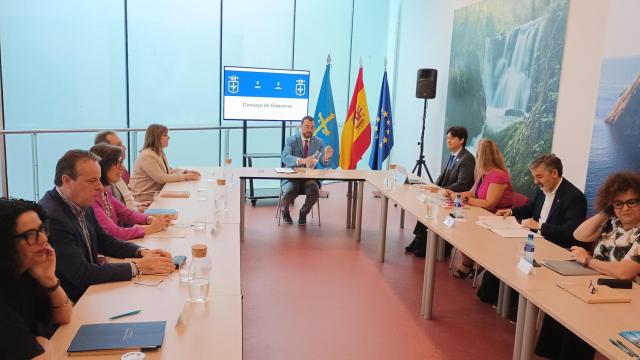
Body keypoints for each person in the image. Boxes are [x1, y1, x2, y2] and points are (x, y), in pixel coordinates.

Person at [39, 150, 175, 302]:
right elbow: (80, 273)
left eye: (99, 180)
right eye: (92, 181)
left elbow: (104, 240)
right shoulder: (53, 217)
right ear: (67, 181)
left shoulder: (80, 201)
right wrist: (138, 267)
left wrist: (142, 252)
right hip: (72, 303)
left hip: (90, 293)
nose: (99, 187)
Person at [535, 171, 640, 360]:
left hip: (626, 295)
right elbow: (579, 235)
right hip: (598, 284)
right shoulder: (612, 223)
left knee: (579, 318)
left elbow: (625, 272)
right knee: (558, 307)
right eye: (618, 203)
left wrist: (588, 260)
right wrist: (605, 212)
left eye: (632, 202)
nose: (625, 208)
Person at [477, 154, 587, 305]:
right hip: (535, 241)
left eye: (539, 177)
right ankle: (499, 303)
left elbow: (571, 232)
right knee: (501, 258)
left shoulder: (574, 197)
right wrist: (511, 212)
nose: (536, 182)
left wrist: (540, 226)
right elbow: (531, 207)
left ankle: (513, 308)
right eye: (534, 177)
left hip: (556, 248)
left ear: (554, 173)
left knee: (516, 265)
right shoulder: (543, 188)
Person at [0, 198, 72, 359]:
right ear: (6, 243)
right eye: (31, 235)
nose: (43, 239)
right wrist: (45, 344)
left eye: (41, 229)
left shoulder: (26, 273)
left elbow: (64, 316)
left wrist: (49, 280)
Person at [449, 139, 515, 278]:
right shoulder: (484, 173)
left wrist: (463, 199)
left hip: (496, 217)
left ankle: (470, 264)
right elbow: (473, 193)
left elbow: (489, 204)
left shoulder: (499, 176)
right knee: (458, 223)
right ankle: (468, 263)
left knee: (464, 226)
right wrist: (454, 194)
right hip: (482, 214)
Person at [406, 125, 476, 257]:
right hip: (445, 194)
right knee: (425, 206)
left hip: (456, 199)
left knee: (431, 206)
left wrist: (443, 190)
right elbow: (442, 177)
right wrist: (433, 187)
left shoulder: (467, 158)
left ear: (461, 140)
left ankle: (427, 245)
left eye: (452, 138)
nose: (448, 141)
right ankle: (419, 240)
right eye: (448, 138)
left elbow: (463, 183)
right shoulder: (452, 155)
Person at [90, 143, 170, 240]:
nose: (122, 168)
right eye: (118, 163)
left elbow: (127, 214)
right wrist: (153, 227)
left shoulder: (105, 192)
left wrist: (149, 219)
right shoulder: (92, 198)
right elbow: (115, 233)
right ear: (103, 166)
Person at [280, 115, 333, 225]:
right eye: (307, 126)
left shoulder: (319, 142)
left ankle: (303, 213)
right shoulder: (291, 140)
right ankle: (285, 211)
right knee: (290, 190)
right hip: (292, 178)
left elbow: (323, 162)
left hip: (310, 178)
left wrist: (326, 157)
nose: (309, 130)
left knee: (314, 191)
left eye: (312, 127)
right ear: (301, 126)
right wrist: (302, 161)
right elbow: (284, 157)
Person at [129, 124, 200, 202]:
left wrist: (185, 172)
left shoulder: (159, 152)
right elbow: (162, 178)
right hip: (144, 198)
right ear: (156, 138)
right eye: (165, 135)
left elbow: (167, 171)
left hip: (156, 194)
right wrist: (186, 177)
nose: (169, 138)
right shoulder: (147, 155)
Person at [95, 130, 149, 212]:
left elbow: (125, 199)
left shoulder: (117, 169)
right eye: (119, 145)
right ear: (107, 149)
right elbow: (118, 213)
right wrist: (137, 210)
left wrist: (137, 205)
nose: (124, 147)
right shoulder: (105, 184)